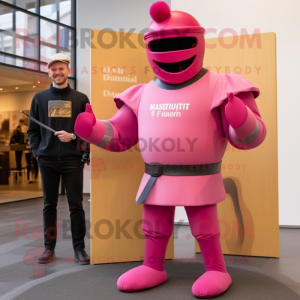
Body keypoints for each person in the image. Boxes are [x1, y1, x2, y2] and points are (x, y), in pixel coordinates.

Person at [74, 2, 267, 298]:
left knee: (205, 227)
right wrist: (93, 130)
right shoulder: (142, 93)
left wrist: (240, 120)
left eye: (180, 44)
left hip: (200, 177)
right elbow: (121, 136)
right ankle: (153, 267)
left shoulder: (221, 86)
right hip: (156, 178)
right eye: (162, 47)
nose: (171, 56)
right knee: (153, 226)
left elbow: (250, 138)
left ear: (197, 41)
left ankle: (216, 270)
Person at [27, 53, 90, 265]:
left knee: (76, 205)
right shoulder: (39, 98)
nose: (57, 72)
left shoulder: (81, 99)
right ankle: (48, 248)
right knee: (49, 205)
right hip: (47, 160)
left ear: (69, 71)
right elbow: (32, 131)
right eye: (53, 69)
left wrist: (74, 138)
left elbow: (89, 131)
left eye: (61, 68)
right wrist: (37, 152)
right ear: (49, 72)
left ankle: (79, 249)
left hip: (72, 160)